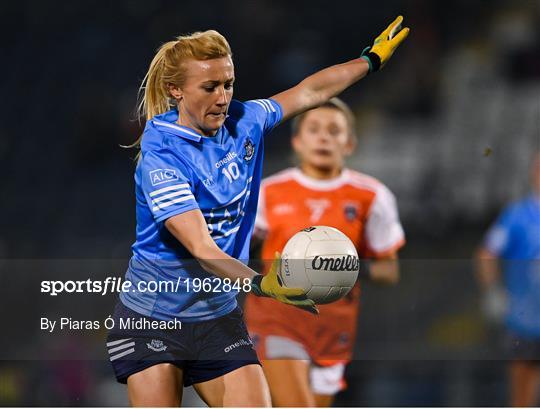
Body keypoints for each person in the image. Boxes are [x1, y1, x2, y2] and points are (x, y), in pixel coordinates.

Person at [106, 18, 409, 407]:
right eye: (210, 87)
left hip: (216, 315)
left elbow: (309, 91)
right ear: (175, 90)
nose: (223, 97)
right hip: (153, 317)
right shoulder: (162, 156)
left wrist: (369, 61)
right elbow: (203, 248)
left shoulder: (245, 121)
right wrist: (261, 284)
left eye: (228, 84)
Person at [244, 97, 405, 407]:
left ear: (350, 144)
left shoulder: (372, 196)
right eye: (314, 129)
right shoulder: (268, 192)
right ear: (297, 141)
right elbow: (238, 250)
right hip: (277, 320)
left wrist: (340, 268)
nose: (323, 137)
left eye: (334, 131)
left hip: (333, 331)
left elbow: (390, 270)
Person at [475, 152, 540, 407]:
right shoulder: (518, 216)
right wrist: (493, 292)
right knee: (523, 394)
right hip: (526, 321)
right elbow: (486, 254)